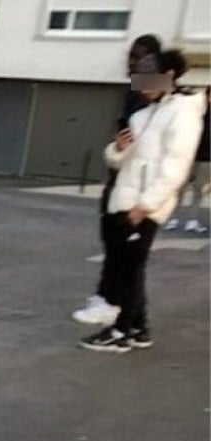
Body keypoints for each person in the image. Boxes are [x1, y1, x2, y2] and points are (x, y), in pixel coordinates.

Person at [79, 50, 203, 353]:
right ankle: (139, 327)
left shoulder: (183, 112)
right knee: (130, 267)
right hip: (124, 200)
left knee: (128, 269)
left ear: (169, 75)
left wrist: (145, 205)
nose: (142, 83)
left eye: (149, 75)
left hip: (145, 205)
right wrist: (118, 149)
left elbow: (175, 167)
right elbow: (121, 161)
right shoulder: (141, 115)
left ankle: (121, 329)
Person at [75, 35, 163, 324]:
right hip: (123, 176)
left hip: (138, 187)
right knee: (117, 249)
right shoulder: (136, 91)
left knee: (128, 256)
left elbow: (157, 153)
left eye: (139, 57)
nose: (132, 62)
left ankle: (125, 314)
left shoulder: (153, 96)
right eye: (132, 56)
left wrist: (146, 201)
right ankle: (119, 307)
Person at [165, 86, 209, 234]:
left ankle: (192, 220)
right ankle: (173, 218)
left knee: (199, 189)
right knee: (180, 188)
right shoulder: (196, 111)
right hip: (188, 154)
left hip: (207, 158)